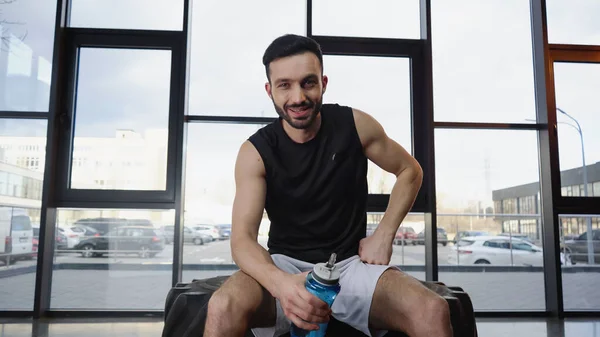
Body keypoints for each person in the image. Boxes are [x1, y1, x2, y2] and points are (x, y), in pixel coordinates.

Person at [204, 34, 453, 337]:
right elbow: (241, 240)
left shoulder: (356, 125)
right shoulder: (255, 152)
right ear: (270, 90)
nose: (298, 97)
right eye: (285, 85)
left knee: (431, 310)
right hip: (283, 265)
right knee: (223, 306)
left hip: (349, 266)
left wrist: (384, 234)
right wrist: (281, 284)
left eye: (308, 83)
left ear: (323, 82)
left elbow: (409, 170)